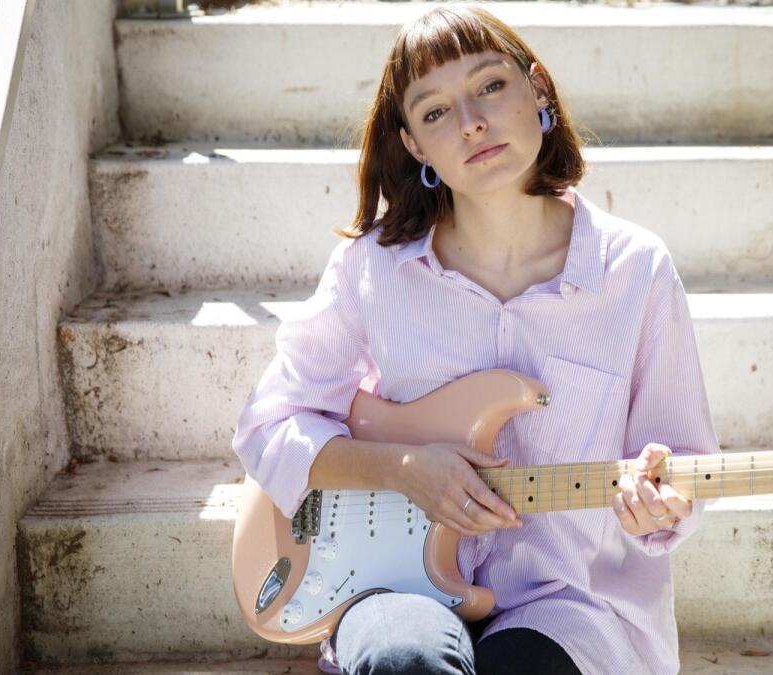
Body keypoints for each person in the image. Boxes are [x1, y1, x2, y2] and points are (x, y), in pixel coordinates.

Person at [231, 6, 720, 674]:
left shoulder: (634, 270)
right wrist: (405, 469)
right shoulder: (376, 268)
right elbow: (267, 424)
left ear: (537, 90)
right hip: (397, 581)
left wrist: (657, 506)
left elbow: (682, 457)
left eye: (490, 86)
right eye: (435, 113)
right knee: (405, 661)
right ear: (412, 145)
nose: (472, 124)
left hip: (568, 597)